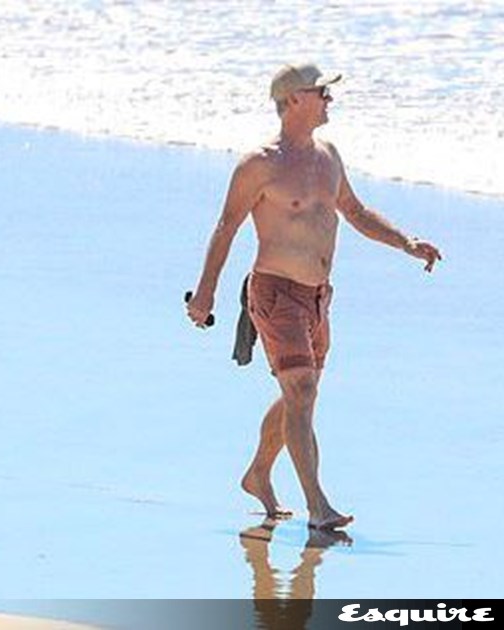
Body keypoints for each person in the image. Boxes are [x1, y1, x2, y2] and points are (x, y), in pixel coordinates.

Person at [186, 62, 442, 529]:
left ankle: (258, 473)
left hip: (318, 297)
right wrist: (205, 295)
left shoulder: (328, 157)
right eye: (322, 92)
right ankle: (318, 508)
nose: (330, 99)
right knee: (300, 389)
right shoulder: (259, 164)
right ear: (295, 100)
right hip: (275, 291)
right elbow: (226, 227)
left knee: (298, 395)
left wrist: (406, 242)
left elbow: (356, 211)